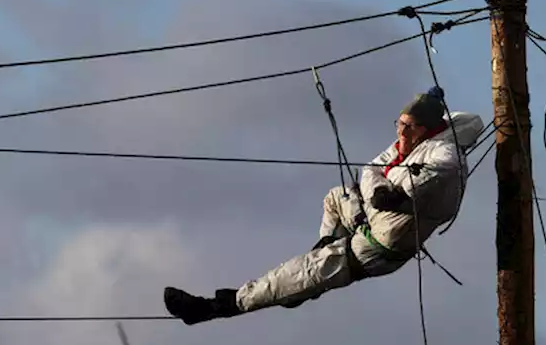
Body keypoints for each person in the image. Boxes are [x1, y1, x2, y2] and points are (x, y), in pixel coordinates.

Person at [162, 87, 483, 325]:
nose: (400, 131)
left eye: (408, 126)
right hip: (374, 217)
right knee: (335, 197)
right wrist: (380, 191)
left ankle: (213, 307)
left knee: (300, 272)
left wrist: (402, 195)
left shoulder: (444, 155)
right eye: (398, 124)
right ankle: (324, 250)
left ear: (426, 130)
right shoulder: (409, 141)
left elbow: (442, 171)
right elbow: (371, 168)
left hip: (379, 248)